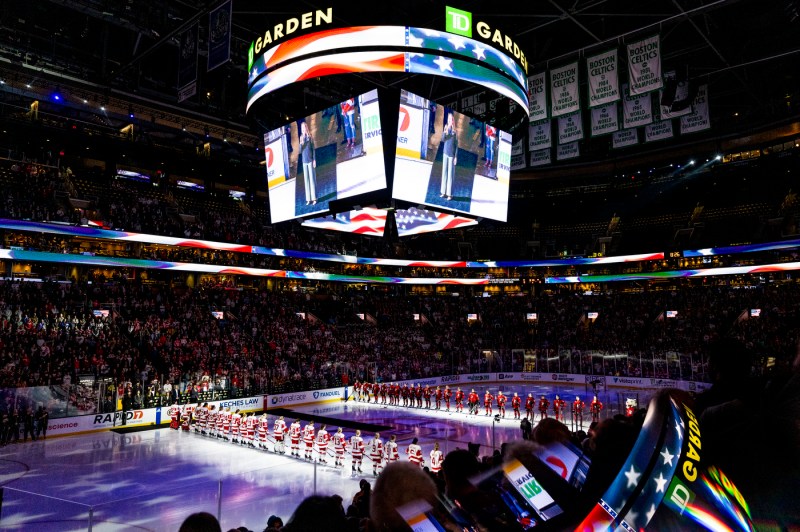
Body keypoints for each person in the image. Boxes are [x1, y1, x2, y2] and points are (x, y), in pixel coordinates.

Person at [440, 112, 458, 200]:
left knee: (450, 174)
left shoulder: (455, 132)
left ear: (453, 121)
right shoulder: (446, 128)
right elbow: (443, 139)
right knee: (444, 173)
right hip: (445, 153)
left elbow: (456, 145)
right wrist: (444, 132)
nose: (449, 121)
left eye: (451, 119)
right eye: (448, 119)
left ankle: (450, 194)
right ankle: (443, 192)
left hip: (451, 155)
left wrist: (456, 157)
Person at [299, 121, 317, 206]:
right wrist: (300, 144)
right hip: (304, 161)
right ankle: (308, 199)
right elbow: (300, 151)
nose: (303, 129)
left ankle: (314, 198)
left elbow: (313, 149)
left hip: (310, 160)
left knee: (312, 180)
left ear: (307, 128)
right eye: (302, 128)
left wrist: (314, 160)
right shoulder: (301, 138)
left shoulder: (310, 137)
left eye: (305, 127)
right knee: (306, 181)